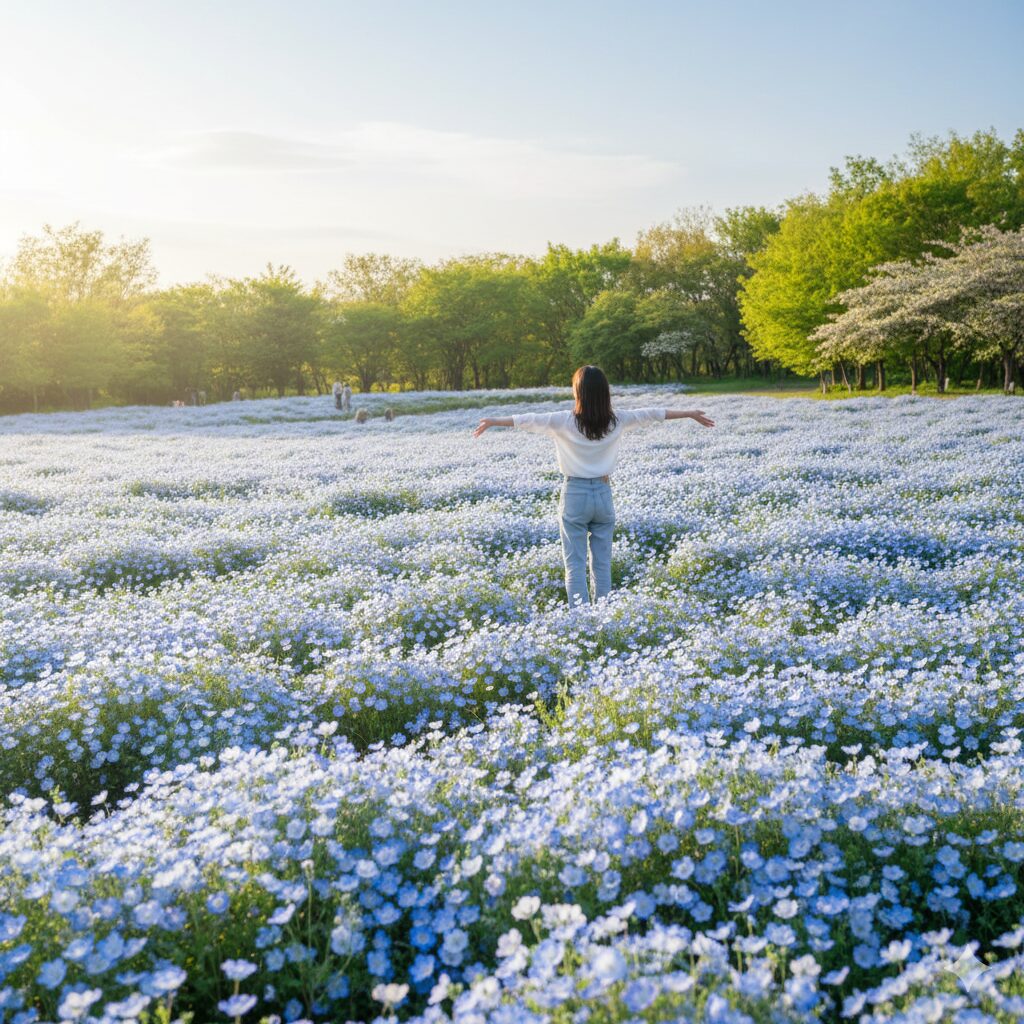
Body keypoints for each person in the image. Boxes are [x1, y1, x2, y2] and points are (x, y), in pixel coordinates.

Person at [474, 365, 715, 605]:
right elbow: (653, 413)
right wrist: (690, 412)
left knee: (575, 565)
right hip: (603, 494)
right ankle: (603, 618)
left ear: (578, 392)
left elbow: (527, 419)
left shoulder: (563, 420)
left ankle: (581, 621)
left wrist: (494, 421)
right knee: (602, 565)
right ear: (604, 392)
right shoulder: (617, 420)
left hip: (575, 495)